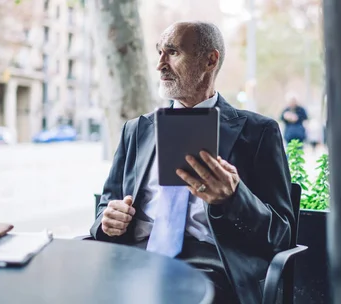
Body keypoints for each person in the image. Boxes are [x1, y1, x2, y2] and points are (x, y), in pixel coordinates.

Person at [90, 21, 294, 304]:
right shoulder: (138, 130)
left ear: (210, 60)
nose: (160, 64)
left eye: (172, 52)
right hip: (135, 257)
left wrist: (234, 198)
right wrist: (107, 220)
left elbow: (281, 234)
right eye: (159, 52)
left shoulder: (258, 133)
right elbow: (106, 206)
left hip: (212, 266)